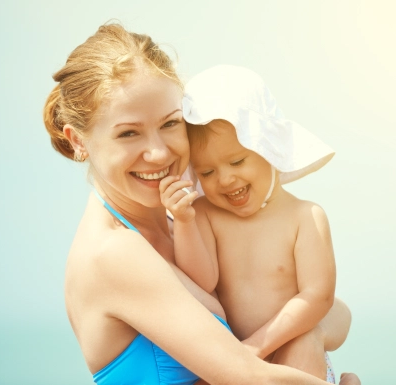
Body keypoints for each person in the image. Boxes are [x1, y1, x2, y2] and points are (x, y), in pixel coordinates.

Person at [43, 23, 359, 385]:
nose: (159, 151)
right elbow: (248, 374)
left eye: (170, 124)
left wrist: (312, 334)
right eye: (128, 132)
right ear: (78, 141)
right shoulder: (113, 253)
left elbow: (327, 306)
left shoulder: (186, 222)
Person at [160, 65, 348, 381]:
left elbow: (318, 296)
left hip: (288, 352)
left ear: (267, 147)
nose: (225, 178)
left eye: (237, 161)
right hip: (239, 358)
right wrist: (184, 221)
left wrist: (257, 347)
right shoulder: (205, 213)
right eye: (206, 172)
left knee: (302, 347)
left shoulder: (305, 217)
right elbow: (202, 281)